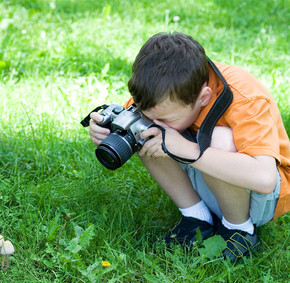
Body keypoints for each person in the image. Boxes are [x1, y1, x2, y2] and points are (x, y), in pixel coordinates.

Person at [88, 32, 290, 261]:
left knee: (217, 139)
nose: (160, 123)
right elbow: (146, 120)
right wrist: (107, 130)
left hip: (260, 196)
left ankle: (239, 230)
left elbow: (265, 179)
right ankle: (197, 217)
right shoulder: (166, 95)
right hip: (211, 180)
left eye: (167, 119)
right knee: (142, 129)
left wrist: (187, 149)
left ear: (204, 98)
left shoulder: (244, 96)